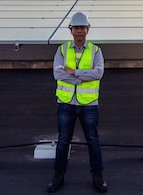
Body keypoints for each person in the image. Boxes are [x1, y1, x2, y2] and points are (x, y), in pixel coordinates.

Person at [47, 11, 108, 193]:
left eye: (82, 28)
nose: (79, 31)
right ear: (71, 30)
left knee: (93, 140)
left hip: (88, 104)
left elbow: (98, 73)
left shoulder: (96, 50)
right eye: (76, 28)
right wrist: (83, 76)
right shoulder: (62, 50)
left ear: (87, 30)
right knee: (63, 140)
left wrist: (73, 73)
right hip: (66, 103)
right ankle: (58, 176)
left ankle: (98, 176)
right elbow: (57, 74)